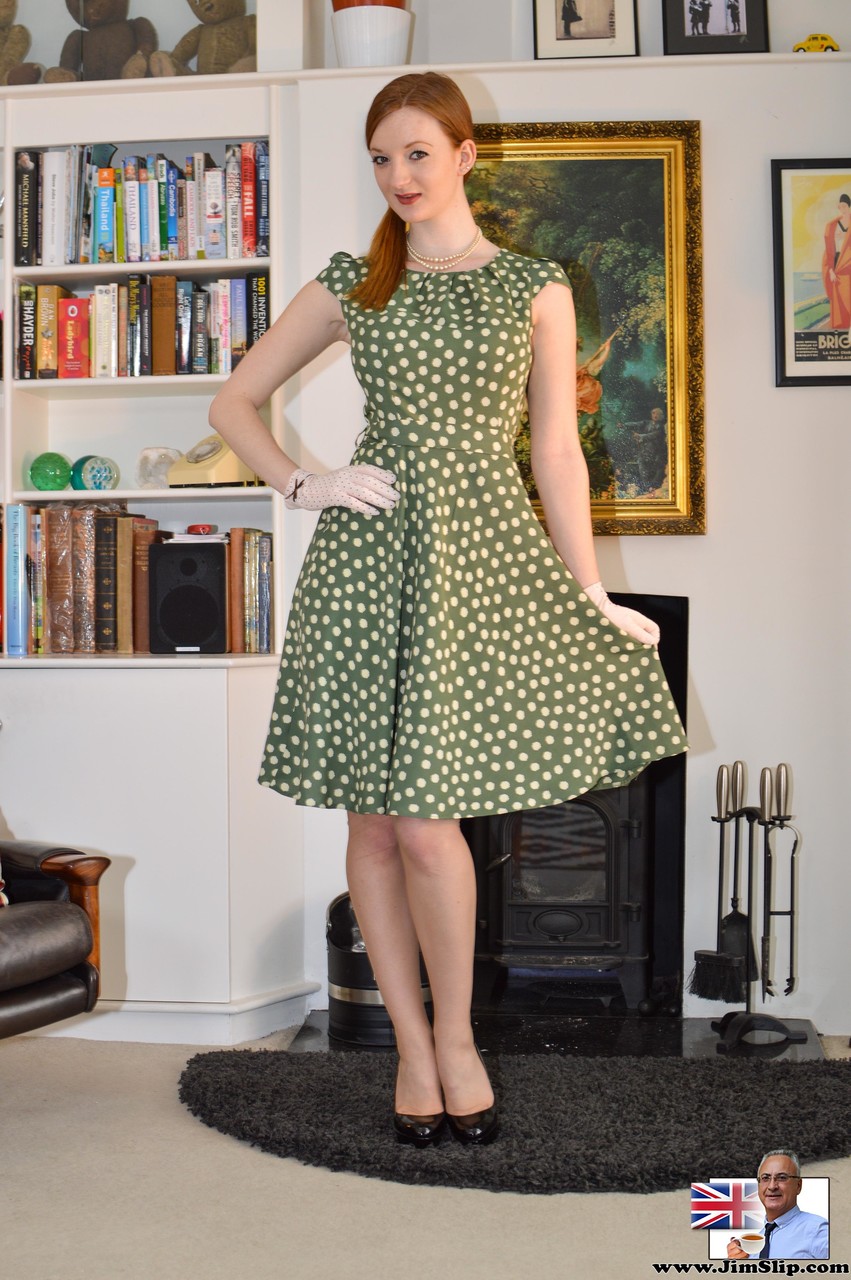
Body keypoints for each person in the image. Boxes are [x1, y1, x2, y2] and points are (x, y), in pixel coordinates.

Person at [209, 71, 686, 1149]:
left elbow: (556, 451)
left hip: (476, 560)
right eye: (381, 159)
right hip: (368, 559)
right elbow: (232, 401)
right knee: (372, 823)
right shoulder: (352, 281)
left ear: (466, 154)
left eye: (418, 153)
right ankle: (413, 1054)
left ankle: (455, 1039)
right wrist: (305, 481)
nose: (398, 176)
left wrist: (589, 590)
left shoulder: (532, 285)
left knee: (427, 824)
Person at [727, 1150, 829, 1259]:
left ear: (798, 1186)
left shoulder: (818, 1231)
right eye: (765, 1178)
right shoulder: (753, 1245)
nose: (772, 1186)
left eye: (782, 1178)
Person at [822, 193, 851, 330]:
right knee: (838, 295)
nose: (842, 208)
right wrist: (831, 270)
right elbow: (830, 250)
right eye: (840, 206)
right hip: (837, 262)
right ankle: (840, 326)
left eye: (844, 206)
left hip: (849, 263)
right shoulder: (833, 225)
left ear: (849, 206)